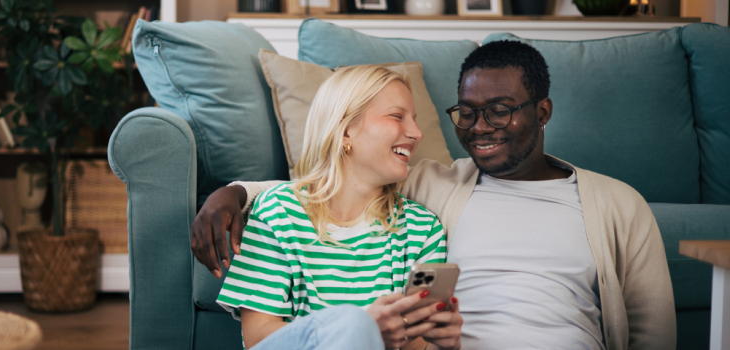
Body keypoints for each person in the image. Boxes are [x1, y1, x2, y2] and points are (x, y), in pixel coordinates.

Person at [192, 41, 676, 350]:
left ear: (543, 111)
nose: (480, 127)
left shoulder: (618, 204)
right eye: (466, 112)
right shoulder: (437, 185)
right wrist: (233, 192)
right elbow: (330, 184)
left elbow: (653, 333)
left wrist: (434, 340)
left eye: (500, 110)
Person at [212, 65, 463, 350]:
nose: (417, 133)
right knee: (354, 322)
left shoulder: (422, 229)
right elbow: (258, 337)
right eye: (397, 116)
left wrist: (447, 345)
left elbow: (419, 342)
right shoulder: (277, 210)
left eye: (415, 120)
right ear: (345, 131)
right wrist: (362, 329)